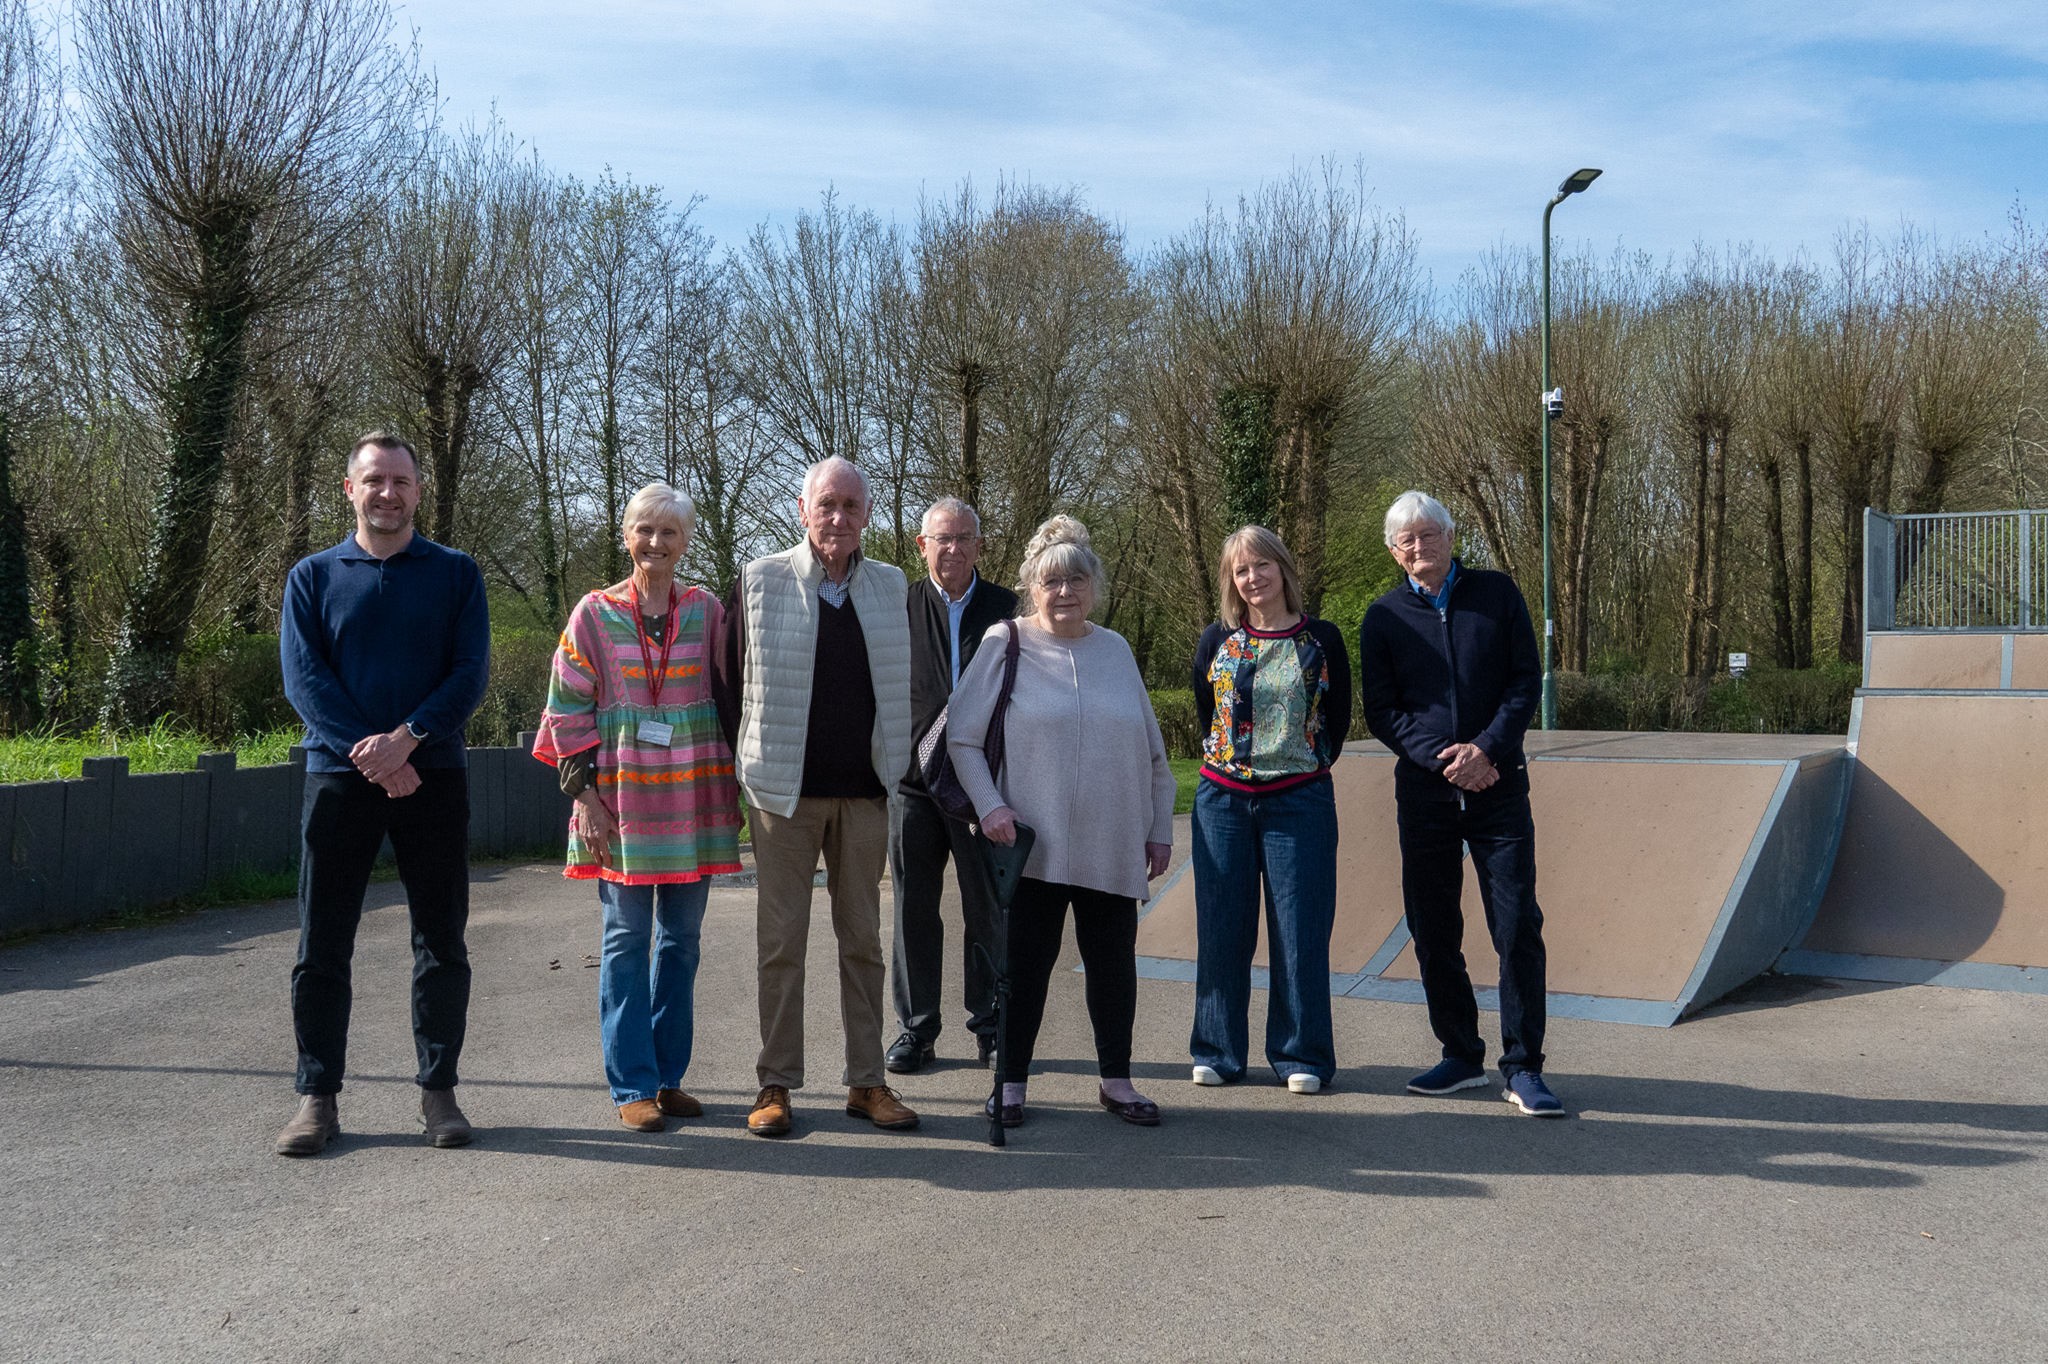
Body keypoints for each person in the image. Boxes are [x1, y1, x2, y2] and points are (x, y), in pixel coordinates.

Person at [274, 431, 490, 1156]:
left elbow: (469, 674)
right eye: (374, 481)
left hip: (434, 775)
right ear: (350, 489)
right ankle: (317, 1097)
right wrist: (373, 753)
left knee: (441, 939)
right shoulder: (311, 576)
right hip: (339, 778)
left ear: (418, 490)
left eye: (400, 481)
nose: (387, 494)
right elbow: (305, 681)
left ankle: (439, 1091)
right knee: (322, 941)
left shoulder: (456, 574)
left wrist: (409, 738)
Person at [712, 456, 920, 1137]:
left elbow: (909, 683)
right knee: (781, 944)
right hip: (782, 799)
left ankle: (867, 1082)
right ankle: (775, 1083)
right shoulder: (759, 579)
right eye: (826, 504)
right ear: (803, 510)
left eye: (851, 505)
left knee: (863, 941)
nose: (838, 517)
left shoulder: (891, 586)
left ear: (867, 515)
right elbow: (727, 681)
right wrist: (748, 767)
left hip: (864, 795)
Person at [947, 516, 1177, 1128]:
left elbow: (1154, 754)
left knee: (1113, 966)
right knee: (1024, 968)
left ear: (1094, 586)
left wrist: (1159, 827)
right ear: (1032, 588)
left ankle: (1117, 1082)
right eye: (1051, 581)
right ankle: (1010, 1082)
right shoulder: (1005, 641)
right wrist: (990, 806)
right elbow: (962, 739)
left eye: (1077, 579)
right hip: (1032, 845)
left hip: (1112, 839)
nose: (1065, 591)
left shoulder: (1116, 649)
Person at [532, 483, 743, 1133]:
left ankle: (666, 1077)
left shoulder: (707, 611)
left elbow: (740, 688)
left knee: (681, 943)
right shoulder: (593, 615)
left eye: (669, 532)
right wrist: (585, 798)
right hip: (618, 804)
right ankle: (631, 1084)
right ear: (626, 537)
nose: (656, 542)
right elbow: (566, 708)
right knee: (626, 942)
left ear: (686, 541)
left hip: (691, 800)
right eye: (645, 530)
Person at [1357, 490, 1563, 1117]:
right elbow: (1382, 710)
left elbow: (1524, 681)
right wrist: (1444, 758)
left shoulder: (1497, 594)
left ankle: (1523, 1066)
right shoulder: (1383, 617)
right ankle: (1460, 1053)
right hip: (1427, 795)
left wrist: (1486, 750)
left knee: (1517, 926)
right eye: (1408, 540)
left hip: (1500, 788)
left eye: (1430, 534)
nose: (1421, 546)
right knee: (1432, 928)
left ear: (1451, 537)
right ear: (1394, 552)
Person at [1187, 526, 1351, 1095]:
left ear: (1283, 569)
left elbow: (1337, 720)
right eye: (1241, 570)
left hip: (1300, 801)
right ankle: (1218, 1050)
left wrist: (1296, 764)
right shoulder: (1217, 639)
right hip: (1222, 802)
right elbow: (1208, 713)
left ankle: (1301, 1053)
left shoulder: (1321, 639)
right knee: (1221, 930)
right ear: (1231, 581)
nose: (1253, 577)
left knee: (1300, 931)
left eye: (1262, 565)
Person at [886, 496, 1019, 1075]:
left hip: (981, 786)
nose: (954, 548)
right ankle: (917, 1029)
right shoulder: (897, 606)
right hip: (912, 784)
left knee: (985, 908)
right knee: (913, 908)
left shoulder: (1009, 610)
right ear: (923, 546)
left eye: (965, 538)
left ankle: (991, 1025)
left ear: (979, 546)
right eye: (943, 538)